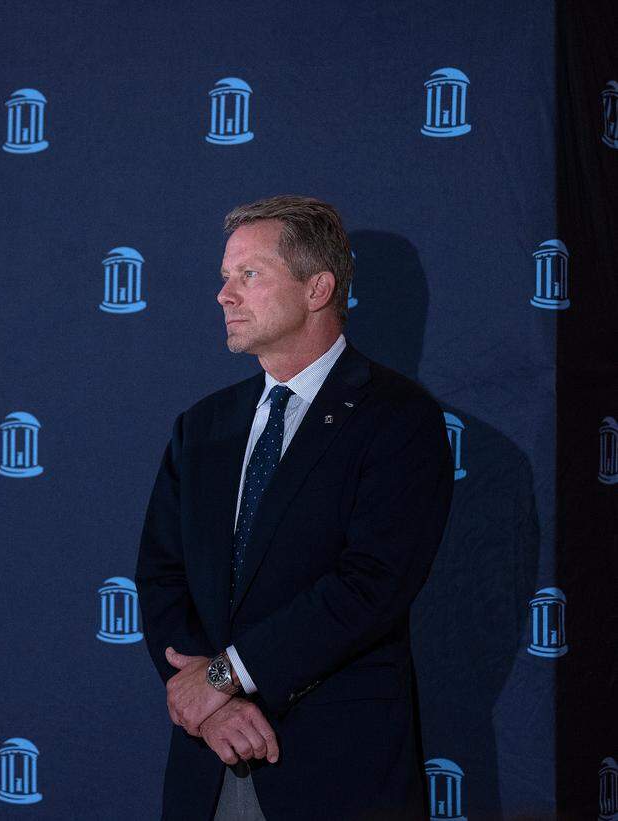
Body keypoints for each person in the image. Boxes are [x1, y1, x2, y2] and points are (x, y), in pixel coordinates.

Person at [134, 195, 454, 820]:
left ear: (318, 289)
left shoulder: (398, 419)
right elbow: (161, 575)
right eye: (224, 277)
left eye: (248, 275)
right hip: (211, 764)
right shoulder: (202, 427)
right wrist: (215, 705)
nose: (225, 295)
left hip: (336, 771)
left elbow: (370, 584)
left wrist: (224, 677)